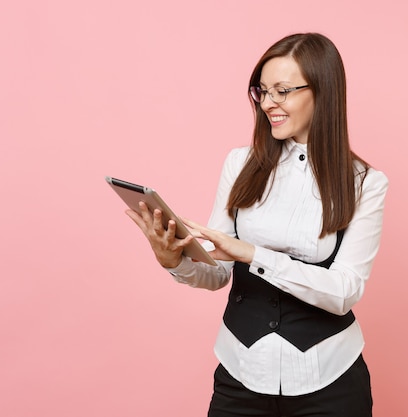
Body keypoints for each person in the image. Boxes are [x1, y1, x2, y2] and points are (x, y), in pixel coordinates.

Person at [126, 32, 388, 417]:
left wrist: (252, 253)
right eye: (261, 91)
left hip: (329, 378)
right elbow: (217, 275)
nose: (268, 103)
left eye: (282, 91)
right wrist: (175, 260)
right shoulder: (240, 164)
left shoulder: (364, 183)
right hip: (241, 372)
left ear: (323, 92)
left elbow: (344, 292)